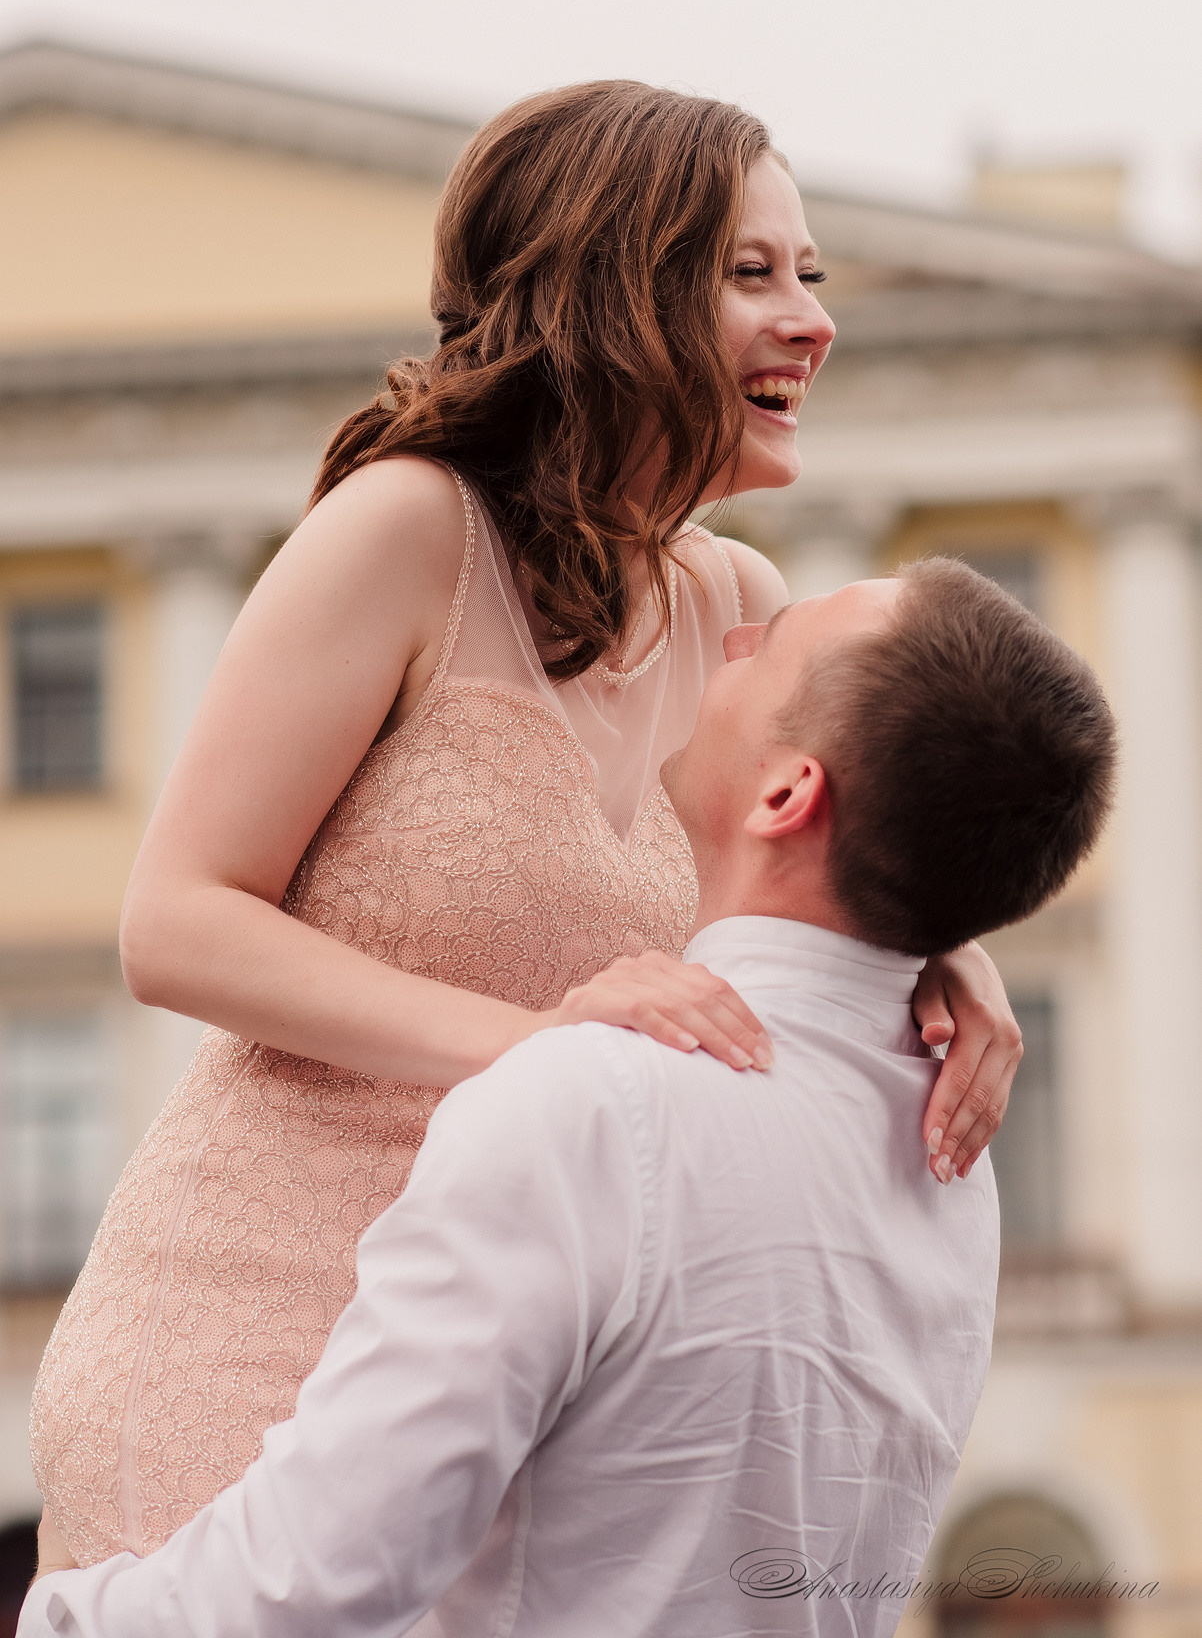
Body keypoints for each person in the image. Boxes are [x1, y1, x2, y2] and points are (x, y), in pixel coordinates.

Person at [30, 82, 1024, 1571]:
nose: (812, 321)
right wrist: (551, 1045)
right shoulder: (403, 531)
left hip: (526, 1352)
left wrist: (943, 950)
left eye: (808, 276)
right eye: (752, 274)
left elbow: (818, 847)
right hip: (243, 1329)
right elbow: (174, 925)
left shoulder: (746, 607)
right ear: (613, 289)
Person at [20, 559, 1117, 1638]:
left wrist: (68, 1610)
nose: (734, 635)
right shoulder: (949, 1159)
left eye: (771, 645)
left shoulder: (589, 1107)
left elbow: (318, 1580)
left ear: (789, 793)